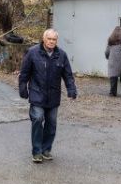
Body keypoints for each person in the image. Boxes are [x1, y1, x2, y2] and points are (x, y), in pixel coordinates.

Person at [18, 28, 77, 164]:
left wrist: (71, 90)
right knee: (38, 118)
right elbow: (24, 73)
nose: (51, 41)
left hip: (53, 96)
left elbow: (68, 75)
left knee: (51, 124)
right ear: (44, 39)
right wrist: (23, 89)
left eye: (54, 39)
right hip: (37, 93)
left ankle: (46, 149)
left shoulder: (61, 55)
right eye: (49, 39)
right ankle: (37, 151)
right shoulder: (33, 53)